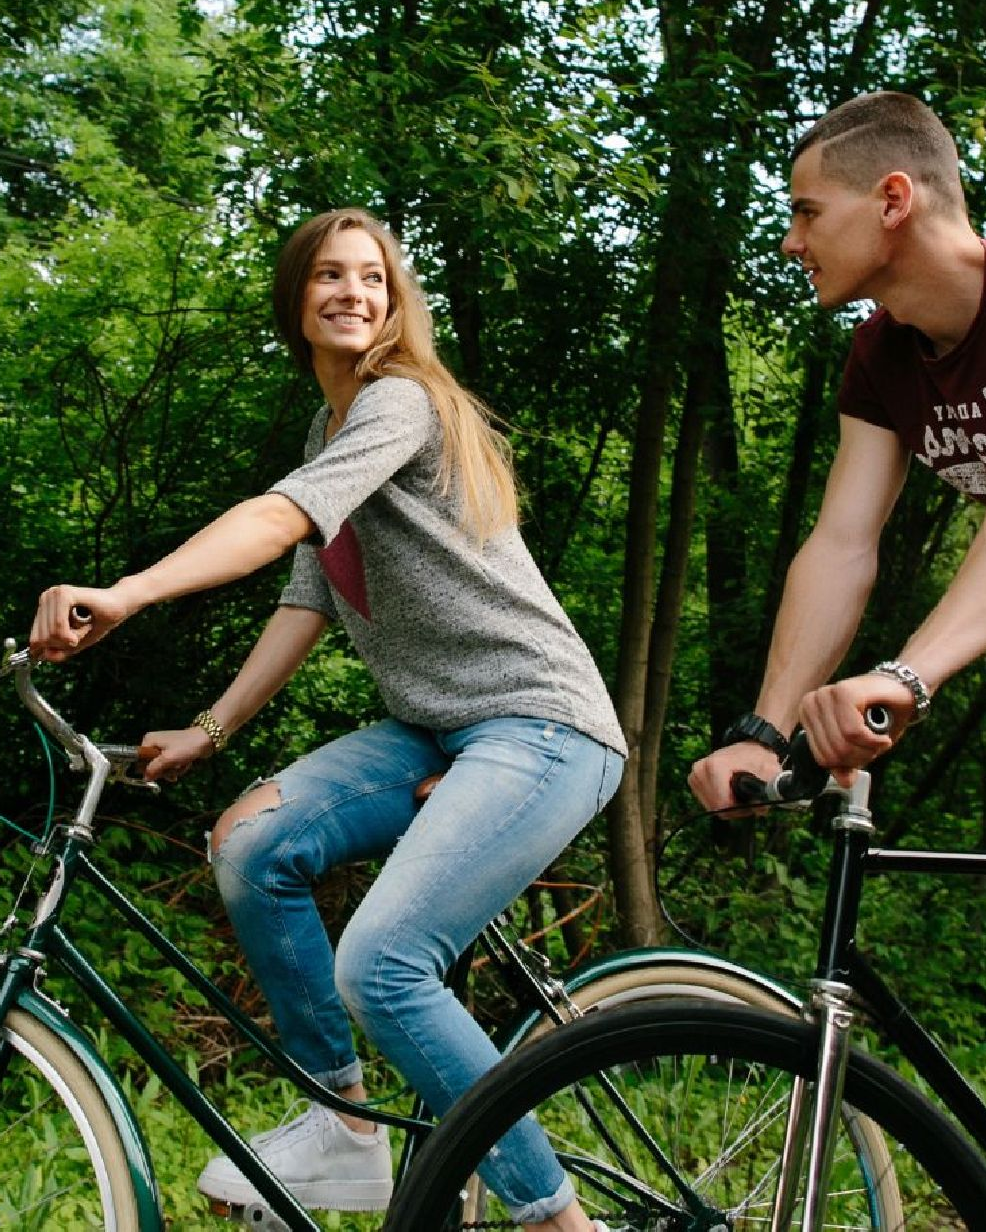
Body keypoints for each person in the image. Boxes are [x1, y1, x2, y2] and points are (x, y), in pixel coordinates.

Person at [29, 207, 627, 1231]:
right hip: (437, 729)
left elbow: (277, 521)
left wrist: (128, 591)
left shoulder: (399, 402)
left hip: (539, 724)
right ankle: (349, 1132)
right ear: (295, 300)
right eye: (329, 277)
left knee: (382, 964)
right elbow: (305, 601)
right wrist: (208, 730)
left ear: (395, 303)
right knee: (251, 840)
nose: (353, 292)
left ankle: (559, 1222)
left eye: (373, 278)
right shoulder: (331, 428)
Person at [689, 90, 986, 811]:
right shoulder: (881, 355)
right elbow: (842, 545)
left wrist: (908, 675)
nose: (792, 240)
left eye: (808, 211)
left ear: (892, 200)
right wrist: (765, 729)